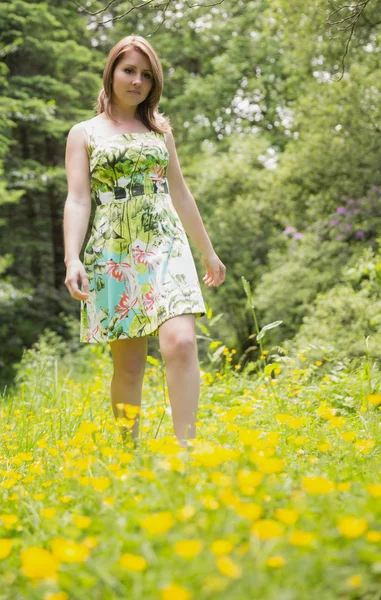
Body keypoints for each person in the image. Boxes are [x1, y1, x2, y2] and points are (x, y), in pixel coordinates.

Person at [63, 35, 226, 449]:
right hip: (114, 249)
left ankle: (185, 455)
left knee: (182, 342)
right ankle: (127, 457)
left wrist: (207, 250)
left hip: (165, 241)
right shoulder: (83, 133)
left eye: (147, 75)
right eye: (129, 71)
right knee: (130, 364)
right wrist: (71, 258)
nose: (137, 81)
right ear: (112, 72)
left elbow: (180, 192)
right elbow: (79, 198)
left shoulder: (159, 130)